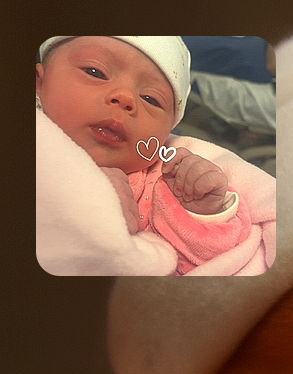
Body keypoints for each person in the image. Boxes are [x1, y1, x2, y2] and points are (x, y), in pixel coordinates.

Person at [35, 35, 274, 275]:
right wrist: (84, 196)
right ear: (38, 82)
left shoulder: (158, 183)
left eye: (151, 99)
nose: (126, 98)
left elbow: (197, 266)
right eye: (95, 72)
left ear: (167, 131)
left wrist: (200, 211)